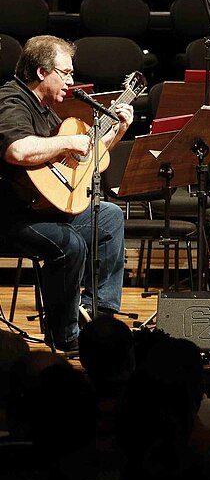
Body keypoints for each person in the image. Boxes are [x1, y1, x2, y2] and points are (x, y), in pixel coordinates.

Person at [0, 35, 132, 353]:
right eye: (67, 72)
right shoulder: (11, 100)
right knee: (68, 244)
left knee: (110, 216)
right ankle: (64, 334)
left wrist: (115, 133)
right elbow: (17, 151)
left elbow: (83, 161)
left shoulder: (46, 110)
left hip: (43, 209)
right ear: (43, 72)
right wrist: (68, 143)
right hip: (12, 215)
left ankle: (96, 316)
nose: (72, 81)